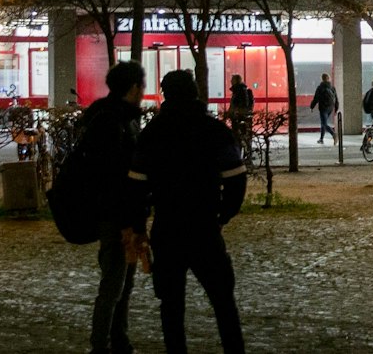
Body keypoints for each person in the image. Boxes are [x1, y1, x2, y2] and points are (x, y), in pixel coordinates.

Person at [127, 70, 247, 354]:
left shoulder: (152, 133)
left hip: (167, 227)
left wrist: (138, 226)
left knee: (171, 305)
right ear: (195, 93)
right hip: (204, 226)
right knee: (223, 301)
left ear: (165, 94)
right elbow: (236, 178)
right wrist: (223, 214)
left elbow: (136, 186)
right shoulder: (214, 131)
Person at [75, 61, 147, 354]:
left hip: (119, 211)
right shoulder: (114, 121)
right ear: (132, 88)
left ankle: (118, 340)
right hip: (116, 214)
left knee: (123, 284)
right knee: (114, 284)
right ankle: (101, 345)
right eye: (141, 85)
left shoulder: (112, 117)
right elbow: (116, 174)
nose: (144, 91)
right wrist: (128, 217)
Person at [226, 74, 254, 149]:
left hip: (239, 117)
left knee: (239, 136)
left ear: (235, 81)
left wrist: (233, 112)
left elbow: (239, 104)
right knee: (242, 136)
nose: (230, 81)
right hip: (240, 117)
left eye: (232, 80)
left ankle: (242, 152)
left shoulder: (239, 90)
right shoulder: (240, 90)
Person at [310, 73, 338, 144]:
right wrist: (336, 109)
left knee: (324, 123)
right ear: (328, 79)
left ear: (322, 79)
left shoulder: (320, 87)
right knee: (323, 123)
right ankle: (321, 139)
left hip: (323, 108)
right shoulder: (332, 87)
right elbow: (336, 99)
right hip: (330, 108)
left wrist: (312, 106)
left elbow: (316, 98)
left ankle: (333, 134)